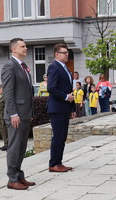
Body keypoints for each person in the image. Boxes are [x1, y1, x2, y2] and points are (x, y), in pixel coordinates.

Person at [1, 38, 35, 190]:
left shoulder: (23, 65)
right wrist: (13, 113)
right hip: (16, 115)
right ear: (14, 49)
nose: (25, 48)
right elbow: (8, 93)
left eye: (25, 46)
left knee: (22, 148)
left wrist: (30, 112)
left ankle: (19, 176)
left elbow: (27, 92)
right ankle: (12, 179)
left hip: (25, 114)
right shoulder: (9, 66)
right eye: (22, 46)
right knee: (14, 148)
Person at [47, 43, 76, 173]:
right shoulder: (54, 67)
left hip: (65, 107)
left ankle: (59, 162)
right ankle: (54, 163)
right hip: (57, 107)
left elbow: (70, 90)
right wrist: (65, 97)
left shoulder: (66, 68)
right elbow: (51, 88)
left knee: (62, 136)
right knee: (58, 136)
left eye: (67, 52)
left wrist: (72, 108)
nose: (67, 54)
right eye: (64, 53)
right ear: (56, 54)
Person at [0, 84, 8, 151]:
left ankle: (7, 144)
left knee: (5, 130)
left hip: (4, 116)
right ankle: (5, 143)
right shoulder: (2, 97)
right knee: (2, 130)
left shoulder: (5, 97)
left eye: (0, 89)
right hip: (1, 116)